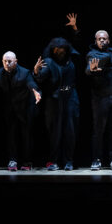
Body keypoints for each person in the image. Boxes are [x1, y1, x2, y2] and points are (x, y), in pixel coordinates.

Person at [33, 37, 80, 171]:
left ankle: (69, 161)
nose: (59, 52)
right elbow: (41, 77)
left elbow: (78, 47)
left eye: (62, 49)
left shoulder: (72, 60)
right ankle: (54, 161)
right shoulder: (49, 61)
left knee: (70, 131)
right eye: (56, 50)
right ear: (52, 50)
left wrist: (75, 32)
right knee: (55, 132)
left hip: (71, 98)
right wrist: (36, 71)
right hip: (54, 100)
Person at [86, 30, 112, 171]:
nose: (102, 41)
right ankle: (96, 159)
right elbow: (88, 68)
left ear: (108, 40)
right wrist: (91, 70)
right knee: (98, 130)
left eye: (104, 39)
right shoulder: (92, 54)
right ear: (95, 41)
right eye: (99, 39)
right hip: (99, 98)